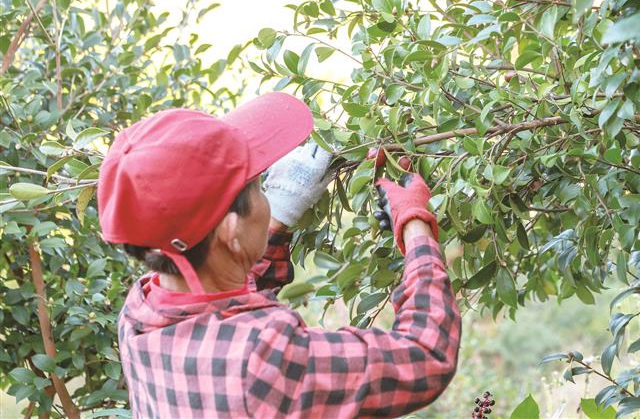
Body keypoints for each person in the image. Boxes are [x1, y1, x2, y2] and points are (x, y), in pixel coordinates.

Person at [97, 92, 462, 418]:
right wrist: (415, 223)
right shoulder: (259, 361)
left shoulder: (141, 313)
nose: (265, 196)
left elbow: (222, 299)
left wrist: (280, 218)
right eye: (257, 187)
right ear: (230, 232)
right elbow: (424, 355)